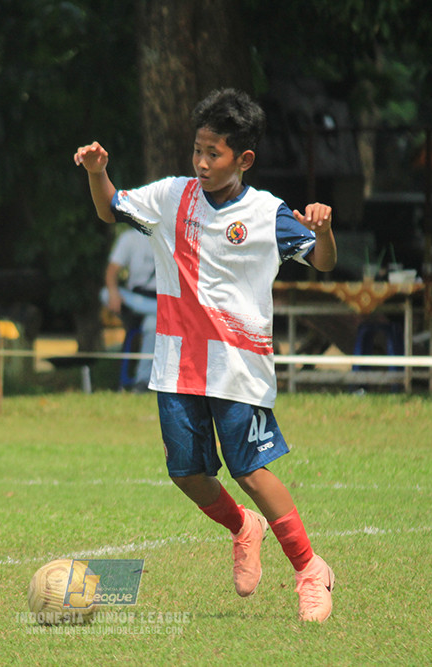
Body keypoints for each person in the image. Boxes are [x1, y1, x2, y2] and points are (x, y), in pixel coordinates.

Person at [73, 88, 338, 622]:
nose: (201, 163)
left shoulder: (267, 214)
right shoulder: (171, 197)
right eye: (197, 150)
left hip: (239, 368)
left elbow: (326, 263)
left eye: (213, 154)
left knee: (251, 472)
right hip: (177, 365)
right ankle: (244, 527)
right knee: (186, 473)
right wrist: (98, 172)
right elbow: (109, 208)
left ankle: (311, 570)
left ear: (243, 159)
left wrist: (324, 231)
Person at [101, 227, 157, 391]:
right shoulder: (130, 238)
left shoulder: (171, 234)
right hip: (135, 300)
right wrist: (113, 292)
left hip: (162, 297)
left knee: (153, 324)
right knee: (104, 294)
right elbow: (112, 271)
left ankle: (142, 380)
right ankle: (158, 310)